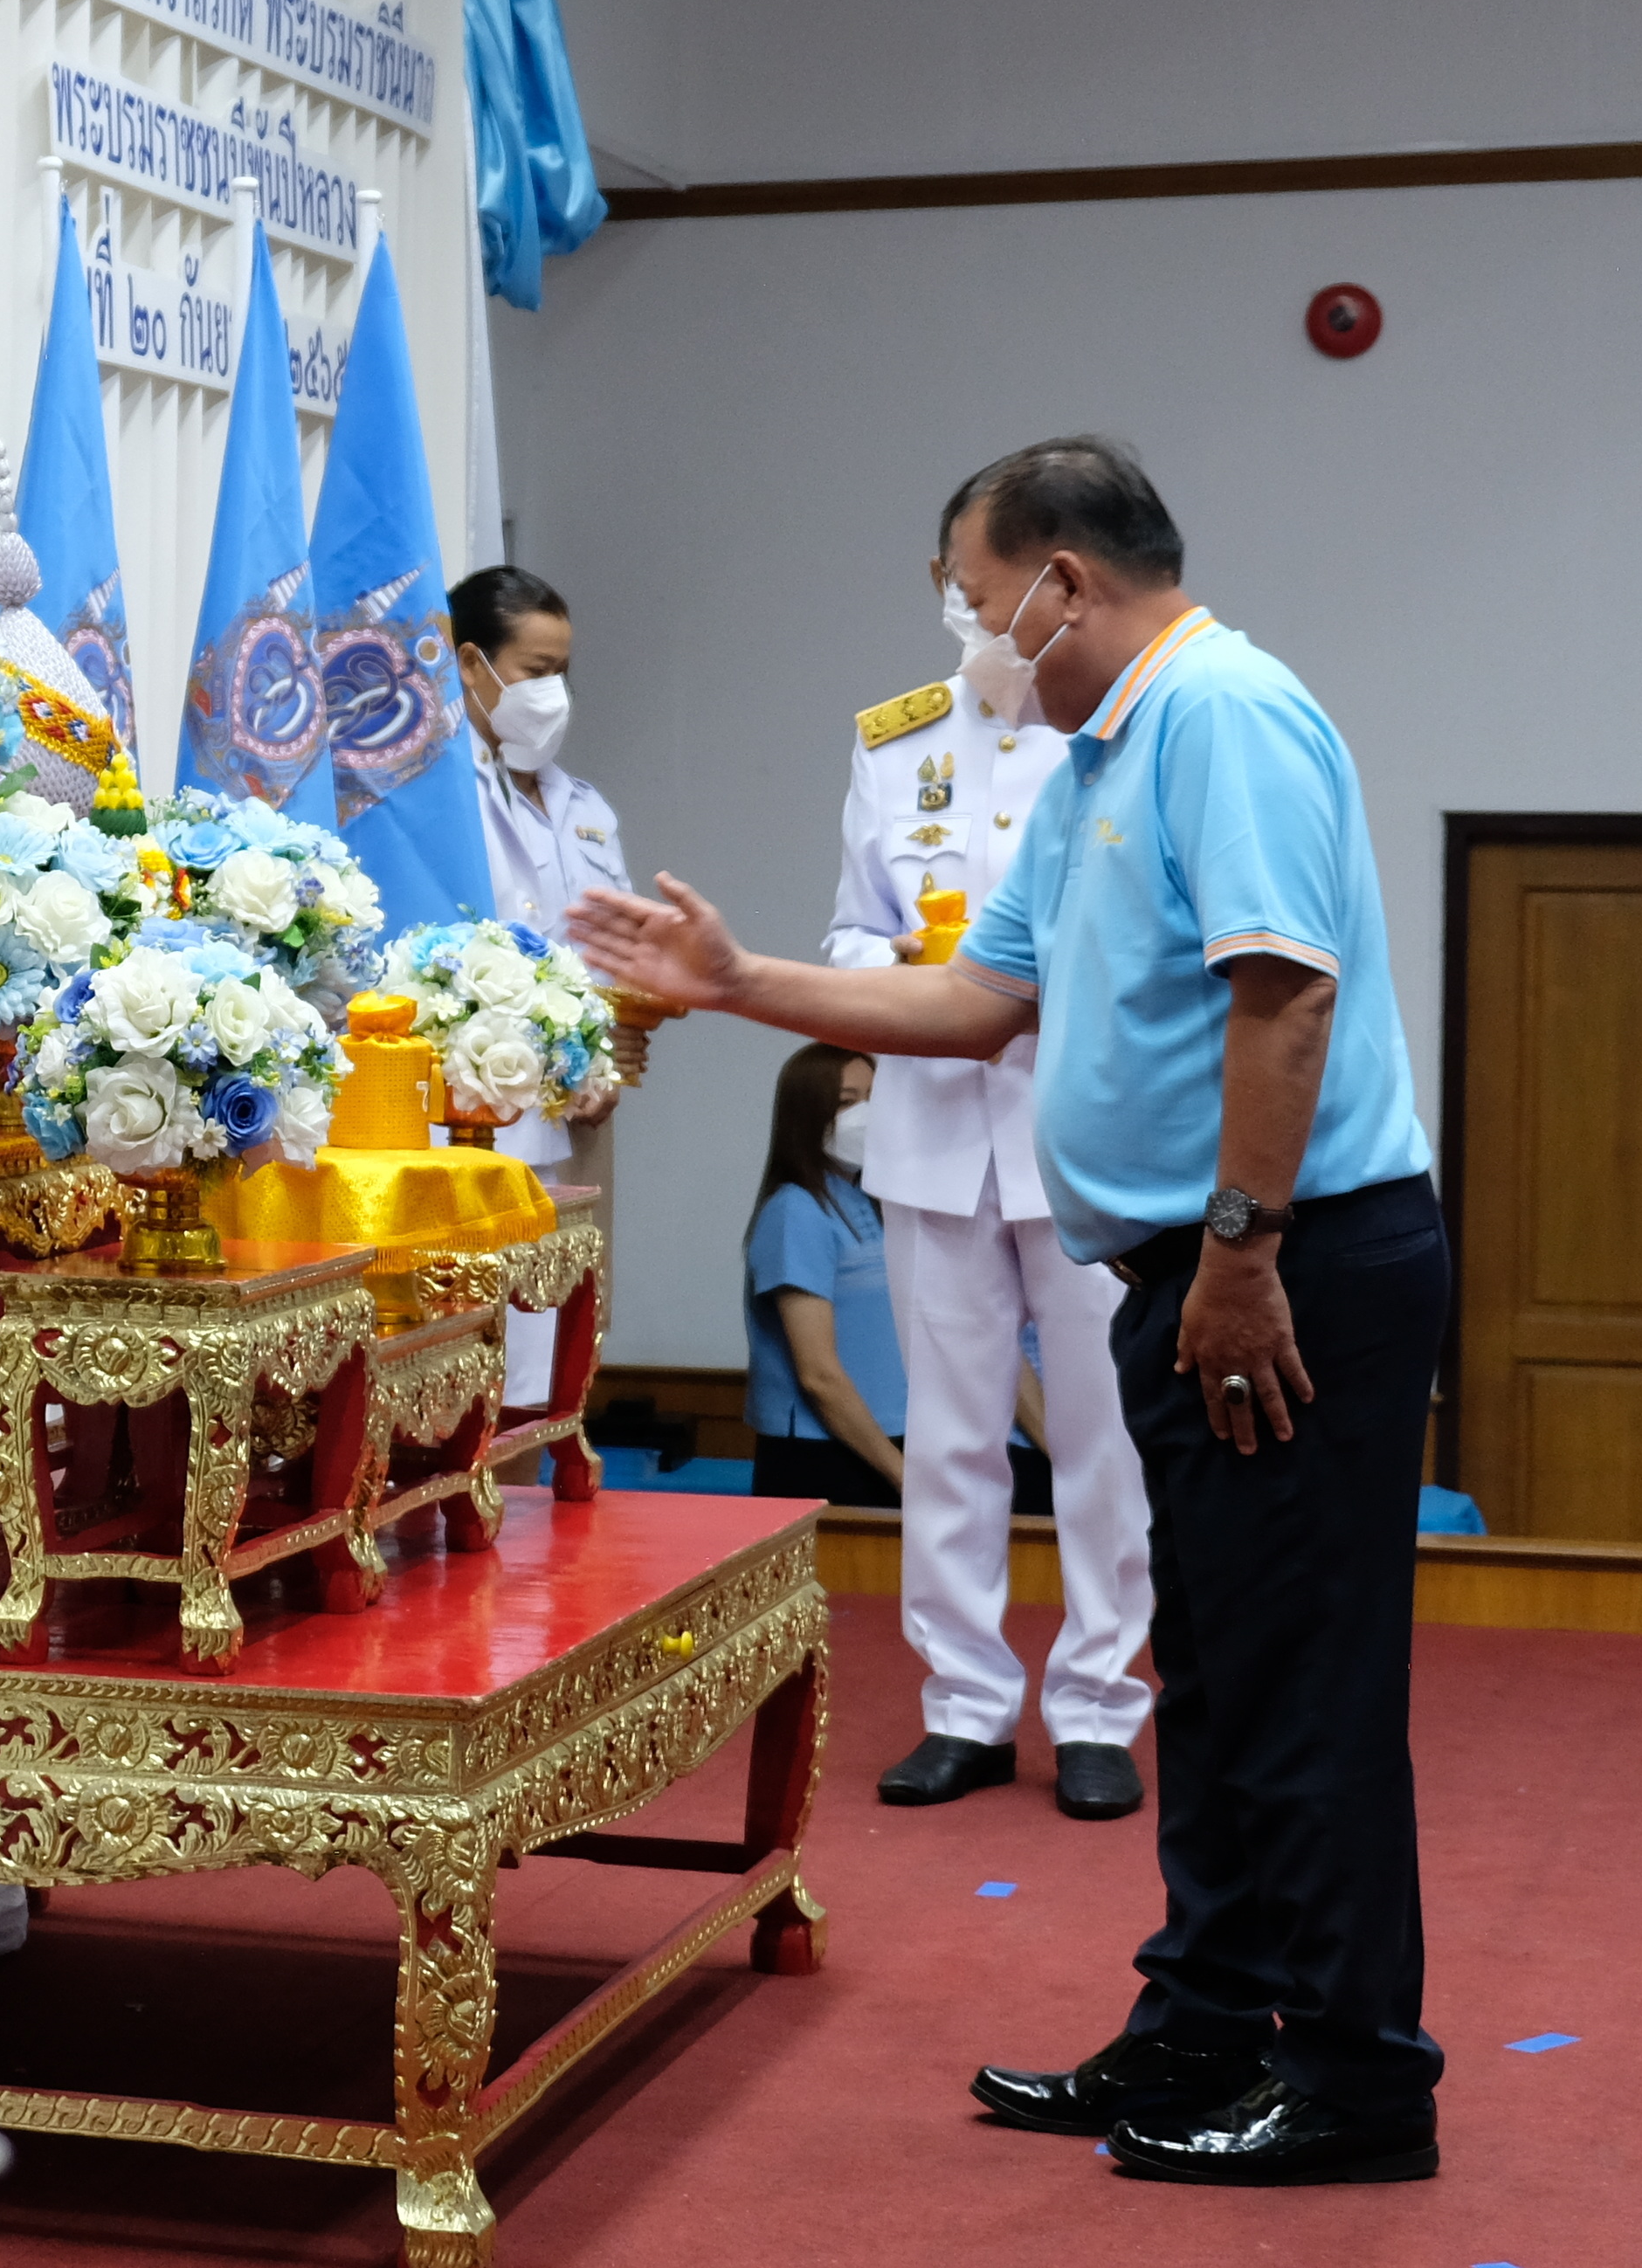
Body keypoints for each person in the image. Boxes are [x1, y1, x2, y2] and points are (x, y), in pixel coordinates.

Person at [567, 436, 1449, 2190]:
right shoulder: (1095, 755)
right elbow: (979, 996)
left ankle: (1357, 2079)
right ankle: (1208, 2015)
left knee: (1304, 1686)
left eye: (983, 603)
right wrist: (742, 986)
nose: (978, 639)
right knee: (1213, 1676)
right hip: (1187, 1267)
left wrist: (1244, 1252)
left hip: (1287, 1265)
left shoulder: (1228, 715)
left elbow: (1283, 998)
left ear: (1064, 579)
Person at [826, 528, 1159, 1823]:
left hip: (1077, 1137)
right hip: (930, 1130)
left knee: (1099, 1441)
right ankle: (962, 1706)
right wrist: (895, 976)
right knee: (952, 1438)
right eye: (955, 592)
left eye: (991, 588)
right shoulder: (893, 740)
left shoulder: (1118, 733)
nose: (973, 611)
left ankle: (1096, 1709)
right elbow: (850, 922)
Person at [451, 564, 652, 1408]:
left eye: (564, 671)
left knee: (563, 1342)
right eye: (537, 672)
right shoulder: (440, 801)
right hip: (474, 1116)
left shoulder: (586, 806)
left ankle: (539, 1520)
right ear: (472, 665)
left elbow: (619, 954)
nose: (554, 692)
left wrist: (622, 1042)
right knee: (474, 1349)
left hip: (583, 1107)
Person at [742, 1045, 909, 1507]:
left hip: (891, 1441)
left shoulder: (873, 1202)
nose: (866, 1115)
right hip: (825, 1455)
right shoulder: (797, 1210)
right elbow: (818, 1373)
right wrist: (902, 1474)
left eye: (874, 1098)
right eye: (846, 1101)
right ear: (808, 1114)